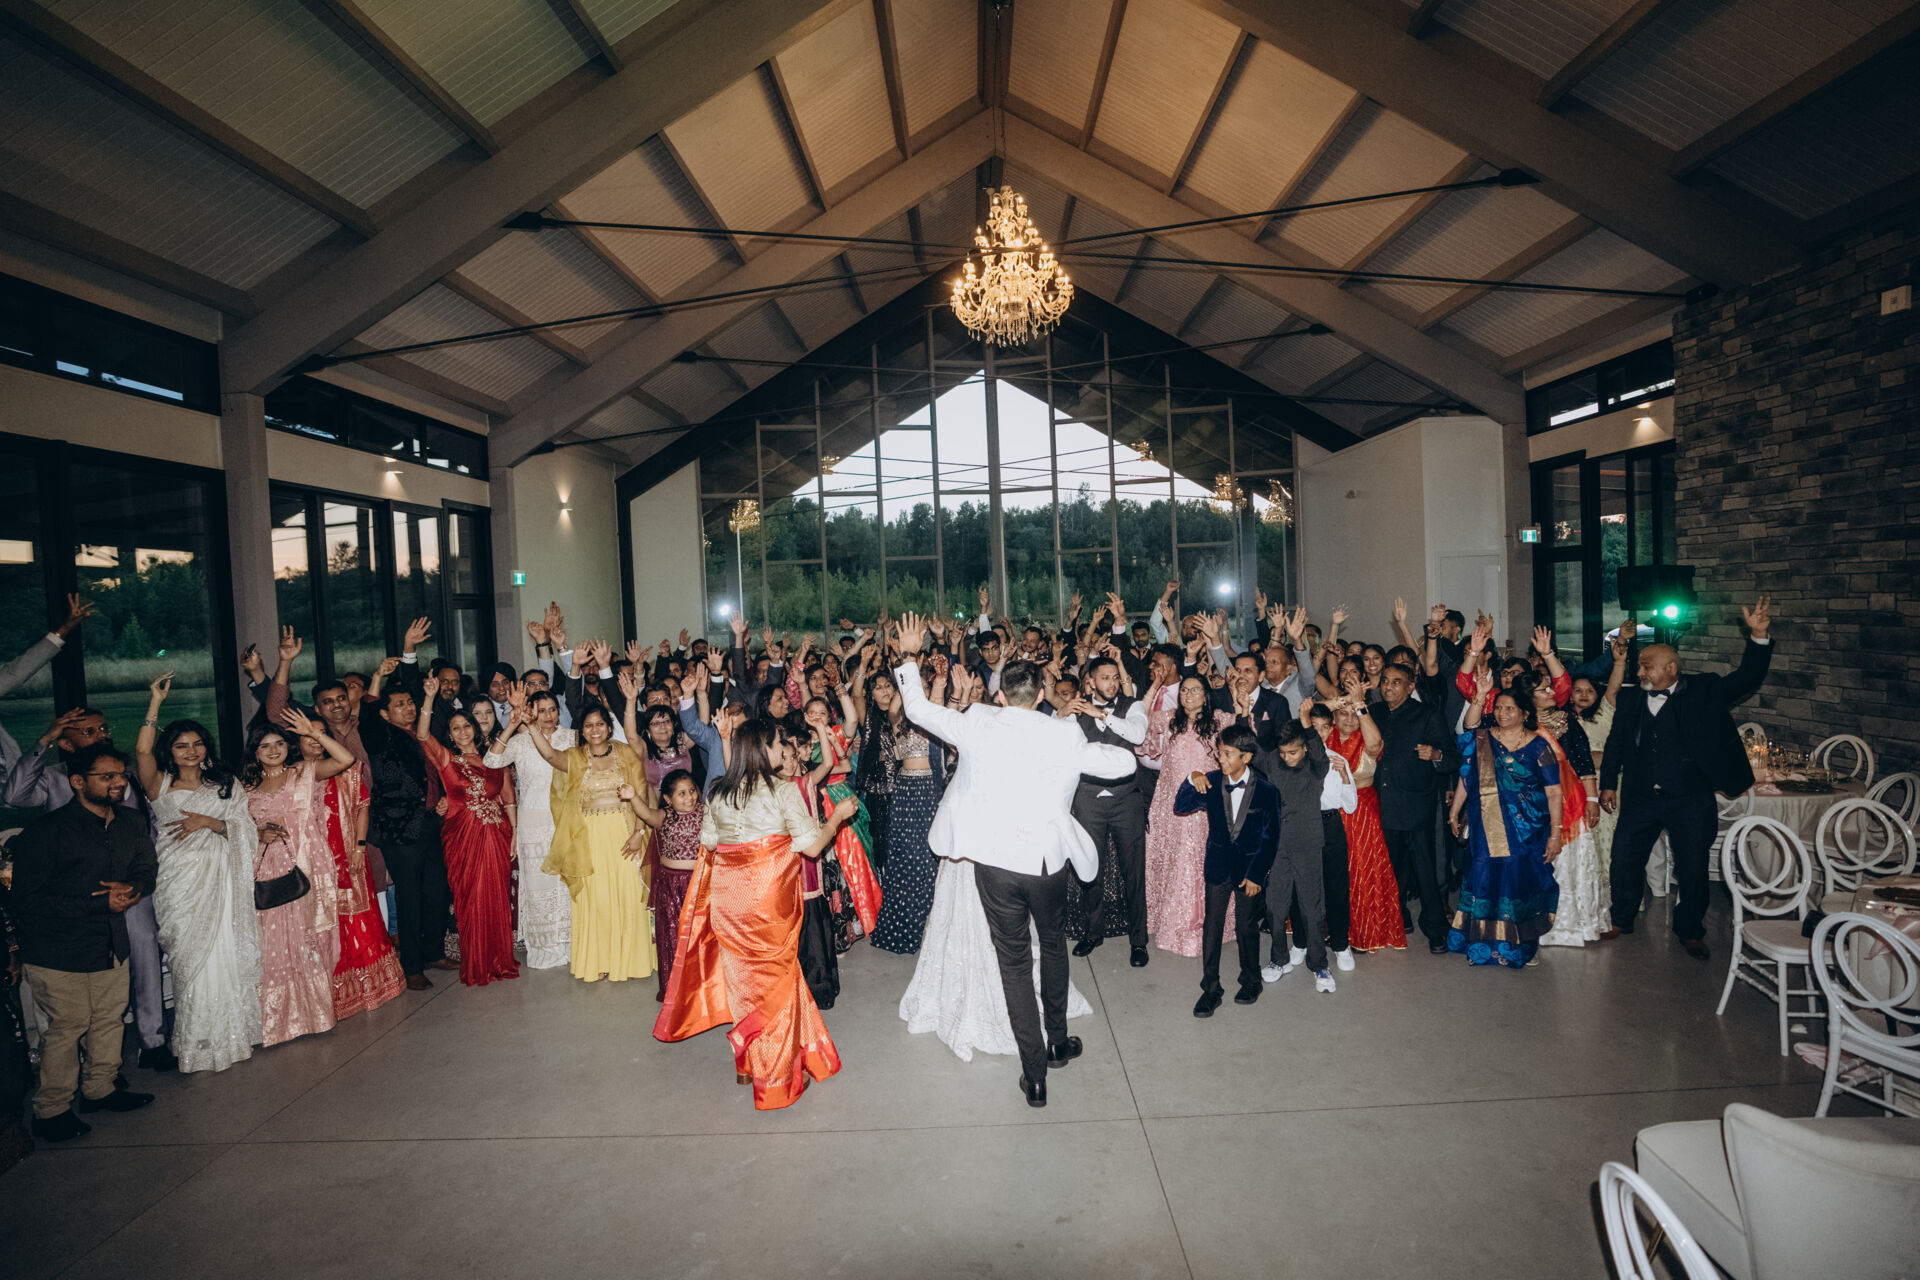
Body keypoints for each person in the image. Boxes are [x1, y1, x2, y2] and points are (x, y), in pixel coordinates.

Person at [889, 613, 1137, 1109]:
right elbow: (1126, 763)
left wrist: (911, 656)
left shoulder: (978, 723)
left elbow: (916, 709)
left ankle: (1035, 1075)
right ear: (1042, 695)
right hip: (1046, 864)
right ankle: (1058, 1043)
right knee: (1053, 946)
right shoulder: (1064, 734)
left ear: (1000, 695)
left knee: (1015, 965)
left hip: (995, 864)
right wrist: (1084, 753)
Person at [653, 719, 856, 1111]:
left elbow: (710, 843)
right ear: (765, 748)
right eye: (780, 743)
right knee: (775, 984)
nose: (784, 749)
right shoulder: (783, 791)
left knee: (745, 982)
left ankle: (747, 1062)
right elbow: (812, 847)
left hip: (729, 902)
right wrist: (837, 817)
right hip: (767, 902)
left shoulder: (718, 792)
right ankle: (774, 1079)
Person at [1600, 596, 1774, 960]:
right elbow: (1615, 744)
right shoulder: (1631, 700)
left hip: (1690, 797)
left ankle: (1691, 931)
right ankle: (1621, 919)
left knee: (1693, 866)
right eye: (1640, 666)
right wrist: (1608, 784)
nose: (1640, 672)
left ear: (1671, 668)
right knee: (1624, 857)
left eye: (1647, 667)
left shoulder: (1705, 690)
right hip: (1640, 796)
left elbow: (1747, 678)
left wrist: (1758, 638)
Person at [4, 702, 173, 1071]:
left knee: (145, 955)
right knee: (88, 979)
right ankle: (92, 1062)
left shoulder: (127, 773)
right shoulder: (53, 778)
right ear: (66, 744)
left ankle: (153, 1041)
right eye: (89, 731)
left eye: (103, 729)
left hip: (130, 886)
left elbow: (145, 826)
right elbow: (14, 796)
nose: (101, 735)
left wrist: (139, 882)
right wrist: (45, 739)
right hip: (77, 893)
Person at [9, 742, 157, 1141]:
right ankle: (51, 1110)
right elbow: (24, 900)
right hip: (58, 949)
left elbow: (146, 866)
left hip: (110, 941)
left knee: (109, 1019)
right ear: (77, 781)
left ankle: (100, 1089)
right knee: (67, 1026)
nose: (119, 783)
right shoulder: (45, 832)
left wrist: (134, 888)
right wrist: (98, 903)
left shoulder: (131, 821)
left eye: (121, 775)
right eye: (107, 776)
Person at [134, 675, 260, 1073]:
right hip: (178, 884)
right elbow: (142, 750)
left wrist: (211, 822)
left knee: (223, 955)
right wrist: (155, 704)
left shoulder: (225, 784)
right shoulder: (159, 784)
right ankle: (196, 1044)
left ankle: (232, 1036)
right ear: (170, 752)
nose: (191, 751)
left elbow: (245, 829)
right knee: (189, 961)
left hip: (221, 881)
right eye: (181, 745)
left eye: (197, 743)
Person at [522, 704, 658, 983]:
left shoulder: (626, 753)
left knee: (628, 893)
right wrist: (532, 726)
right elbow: (550, 755)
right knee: (595, 898)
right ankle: (599, 960)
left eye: (599, 724)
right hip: (589, 838)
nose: (594, 730)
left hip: (623, 833)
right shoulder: (575, 757)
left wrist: (638, 832)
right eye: (588, 725)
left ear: (608, 727)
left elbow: (641, 792)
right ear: (581, 731)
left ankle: (630, 960)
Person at [244, 719, 350, 1046]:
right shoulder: (246, 787)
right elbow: (237, 827)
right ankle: (275, 1021)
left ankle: (313, 1014)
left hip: (305, 864)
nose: (273, 750)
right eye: (265, 745)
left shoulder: (303, 773)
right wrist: (256, 833)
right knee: (272, 941)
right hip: (265, 867)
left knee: (306, 937)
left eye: (279, 743)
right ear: (255, 752)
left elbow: (345, 759)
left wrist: (314, 733)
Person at [1446, 674, 1563, 970]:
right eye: (1498, 708)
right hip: (1486, 826)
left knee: (1521, 881)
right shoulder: (1482, 739)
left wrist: (1556, 834)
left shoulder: (1539, 746)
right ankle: (1482, 945)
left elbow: (1554, 792)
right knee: (1484, 877)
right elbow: (1466, 776)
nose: (1502, 713)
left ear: (1525, 713)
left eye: (1509, 708)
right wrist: (1455, 811)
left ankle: (1523, 944)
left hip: (1528, 830)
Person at [294, 721, 402, 1020]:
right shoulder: (293, 775)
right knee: (321, 921)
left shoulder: (346, 770)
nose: (314, 740)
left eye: (319, 733)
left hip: (347, 855)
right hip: (310, 862)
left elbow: (362, 807)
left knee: (357, 917)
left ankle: (368, 987)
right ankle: (330, 991)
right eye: (306, 735)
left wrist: (359, 847)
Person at [1174, 724, 1280, 1016]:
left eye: (1227, 753)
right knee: (1212, 926)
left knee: (1246, 926)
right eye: (1219, 752)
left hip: (1249, 870)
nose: (1219, 758)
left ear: (1246, 757)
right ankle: (1211, 988)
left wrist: (1257, 874)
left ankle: (1251, 979)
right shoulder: (1210, 781)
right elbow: (1180, 807)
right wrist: (1191, 778)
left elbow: (1271, 838)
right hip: (1218, 866)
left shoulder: (1267, 790)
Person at [421, 709, 519, 987]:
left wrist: (514, 832)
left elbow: (508, 798)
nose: (462, 732)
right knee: (471, 896)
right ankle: (477, 961)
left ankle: (499, 958)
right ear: (450, 735)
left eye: (466, 725)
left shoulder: (494, 759)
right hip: (463, 836)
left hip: (496, 833)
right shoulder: (448, 760)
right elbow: (422, 735)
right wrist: (429, 698)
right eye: (455, 728)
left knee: (496, 894)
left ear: (475, 729)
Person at [1067, 653, 1151, 966]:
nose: (1112, 683)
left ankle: (1139, 941)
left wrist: (1101, 714)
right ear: (1090, 681)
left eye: (1116, 677)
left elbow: (1138, 735)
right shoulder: (1076, 710)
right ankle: (1093, 932)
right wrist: (1063, 713)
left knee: (1134, 872)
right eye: (1105, 678)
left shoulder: (1133, 706)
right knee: (1090, 868)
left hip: (1126, 799)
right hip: (1088, 798)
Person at [485, 687, 575, 970]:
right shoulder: (520, 741)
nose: (548, 715)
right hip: (533, 821)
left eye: (552, 709)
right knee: (538, 884)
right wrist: (512, 724)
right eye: (541, 710)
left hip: (566, 819)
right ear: (531, 713)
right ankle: (545, 948)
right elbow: (491, 761)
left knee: (567, 884)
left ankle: (573, 945)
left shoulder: (572, 737)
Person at [1373, 665, 1459, 954]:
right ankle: (1395, 920)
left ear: (1410, 687)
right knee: (1390, 870)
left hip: (1415, 805)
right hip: (1382, 804)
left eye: (1396, 682)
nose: (1388, 687)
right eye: (1385, 681)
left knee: (1425, 872)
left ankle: (1436, 929)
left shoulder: (1427, 715)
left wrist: (1435, 754)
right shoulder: (1375, 712)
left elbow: (1452, 758)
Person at [1142, 675, 1225, 957]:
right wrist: (1155, 685)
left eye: (1195, 690)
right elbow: (1140, 720)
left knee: (1196, 858)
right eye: (1184, 690)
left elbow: (1240, 748)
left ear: (1206, 694)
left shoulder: (1220, 721)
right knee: (1173, 858)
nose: (1188, 694)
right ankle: (1168, 922)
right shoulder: (1168, 720)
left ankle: (1198, 926)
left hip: (1204, 804)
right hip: (1169, 804)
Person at [1256, 719, 1336, 992]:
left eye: (1292, 752)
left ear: (1305, 749)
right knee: (1274, 906)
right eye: (1283, 752)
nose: (1287, 757)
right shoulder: (1274, 762)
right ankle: (1279, 960)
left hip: (1307, 845)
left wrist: (1308, 727)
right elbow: (1255, 753)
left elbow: (1319, 752)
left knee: (1311, 907)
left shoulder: (1316, 767)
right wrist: (1243, 714)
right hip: (1277, 846)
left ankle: (1319, 964)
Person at [1322, 690, 1405, 952]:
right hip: (1328, 811)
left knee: (1360, 870)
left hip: (1360, 812)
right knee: (1329, 872)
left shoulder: (1366, 738)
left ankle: (1362, 932)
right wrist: (1337, 702)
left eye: (1354, 715)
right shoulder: (1324, 736)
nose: (1349, 719)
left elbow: (1375, 743)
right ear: (1334, 717)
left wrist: (1359, 705)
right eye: (1342, 714)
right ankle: (1329, 928)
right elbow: (1305, 717)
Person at [1289, 697, 1359, 972]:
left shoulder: (1338, 760)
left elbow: (1350, 806)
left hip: (1330, 824)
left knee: (1335, 887)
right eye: (1313, 726)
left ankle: (1341, 944)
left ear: (1331, 730)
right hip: (1301, 825)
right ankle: (1301, 942)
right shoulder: (1294, 759)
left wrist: (1344, 777)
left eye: (1323, 727)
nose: (1318, 733)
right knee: (1300, 886)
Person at [650, 769, 703, 1003]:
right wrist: (632, 798)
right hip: (671, 885)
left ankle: (702, 988)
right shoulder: (665, 816)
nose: (689, 797)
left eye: (692, 791)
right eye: (681, 793)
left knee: (698, 936)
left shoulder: (705, 812)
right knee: (673, 935)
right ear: (668, 799)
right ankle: (676, 990)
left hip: (699, 883)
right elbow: (645, 813)